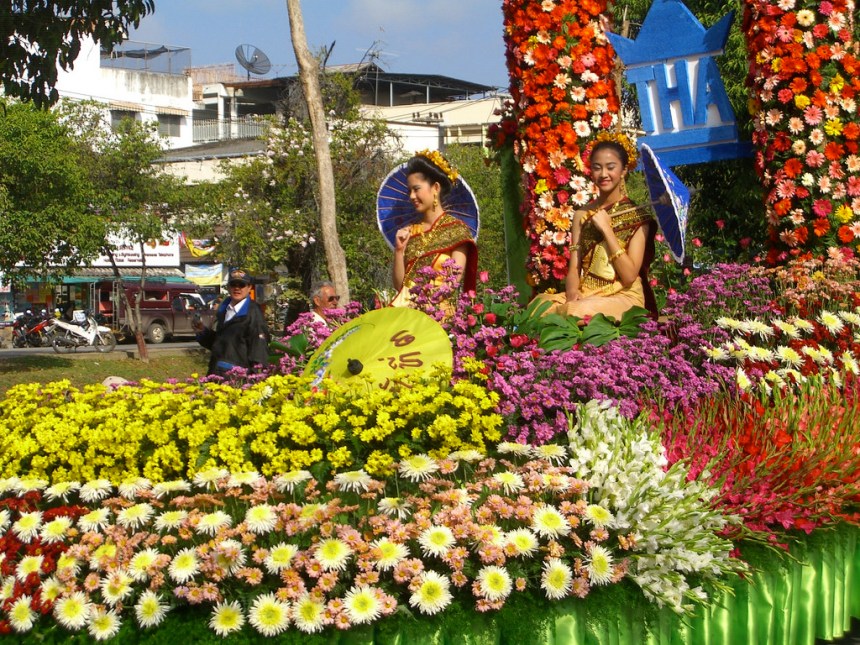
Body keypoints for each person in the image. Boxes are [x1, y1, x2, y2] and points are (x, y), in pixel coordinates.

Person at [532, 131, 657, 320]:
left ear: (623, 170)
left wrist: (607, 229)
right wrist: (573, 294)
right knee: (538, 306)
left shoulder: (637, 216)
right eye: (597, 168)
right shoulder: (582, 214)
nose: (604, 174)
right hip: (587, 293)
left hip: (622, 295)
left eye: (611, 167)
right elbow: (575, 265)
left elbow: (630, 275)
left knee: (578, 311)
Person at [390, 150, 478, 308]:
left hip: (440, 315)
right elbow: (399, 287)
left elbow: (452, 283)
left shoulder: (456, 230)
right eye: (409, 190)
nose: (411, 196)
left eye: (416, 189)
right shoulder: (409, 232)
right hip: (409, 313)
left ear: (435, 188)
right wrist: (398, 250)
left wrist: (427, 304)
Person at [194, 268, 270, 376]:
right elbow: (221, 344)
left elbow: (259, 352)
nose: (237, 288)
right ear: (228, 287)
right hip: (216, 375)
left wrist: (255, 380)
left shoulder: (253, 313)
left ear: (249, 288)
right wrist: (203, 332)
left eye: (242, 285)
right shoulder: (224, 310)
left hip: (238, 380)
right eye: (234, 284)